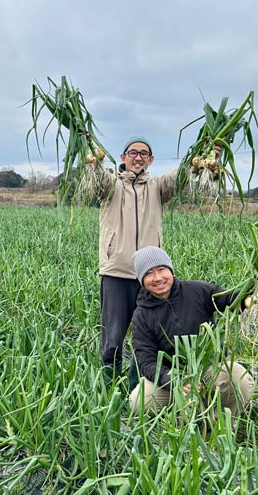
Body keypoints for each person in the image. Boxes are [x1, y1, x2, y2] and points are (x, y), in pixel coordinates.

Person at [85, 137, 180, 381]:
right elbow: (96, 177)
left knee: (150, 335)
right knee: (113, 337)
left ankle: (141, 384)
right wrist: (89, 153)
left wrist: (209, 154)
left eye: (144, 153)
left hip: (150, 276)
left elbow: (183, 176)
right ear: (123, 157)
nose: (138, 157)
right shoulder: (111, 185)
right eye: (133, 152)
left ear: (151, 160)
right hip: (116, 271)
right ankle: (108, 383)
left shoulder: (158, 187)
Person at [128, 246, 255, 415]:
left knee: (240, 381)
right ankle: (181, 418)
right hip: (172, 378)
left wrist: (249, 299)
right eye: (149, 273)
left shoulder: (197, 291)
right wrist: (174, 379)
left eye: (161, 270)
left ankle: (220, 420)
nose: (157, 278)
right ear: (141, 279)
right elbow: (147, 362)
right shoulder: (141, 315)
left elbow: (228, 298)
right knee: (139, 401)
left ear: (170, 270)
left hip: (209, 369)